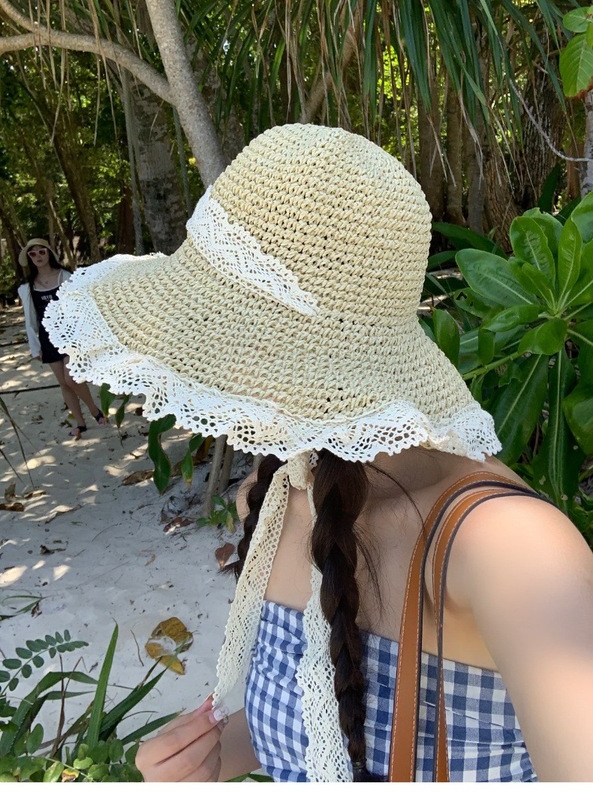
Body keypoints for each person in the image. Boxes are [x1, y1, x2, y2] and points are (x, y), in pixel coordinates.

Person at [44, 125, 593, 782]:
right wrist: (216, 757)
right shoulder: (276, 495)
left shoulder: (507, 548)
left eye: (210, 333)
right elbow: (316, 721)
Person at [17, 238, 107, 438]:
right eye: (33, 253)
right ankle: (80, 423)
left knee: (71, 378)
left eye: (42, 251)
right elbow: (30, 320)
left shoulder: (66, 277)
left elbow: (81, 307)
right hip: (47, 338)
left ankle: (94, 410)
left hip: (70, 335)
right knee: (63, 384)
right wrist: (35, 347)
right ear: (29, 258)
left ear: (49, 253)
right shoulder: (27, 287)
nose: (38, 256)